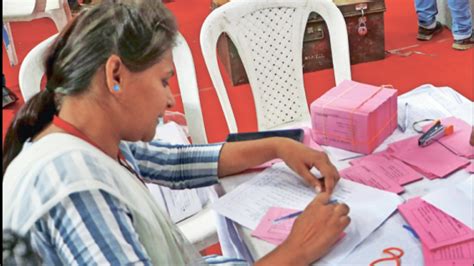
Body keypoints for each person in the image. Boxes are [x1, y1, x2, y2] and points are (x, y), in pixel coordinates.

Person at [2, 0, 350, 265]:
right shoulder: (74, 189)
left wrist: (276, 146)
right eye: (163, 80)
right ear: (116, 76)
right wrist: (295, 251)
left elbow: (176, 162)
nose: (170, 98)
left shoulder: (87, 137)